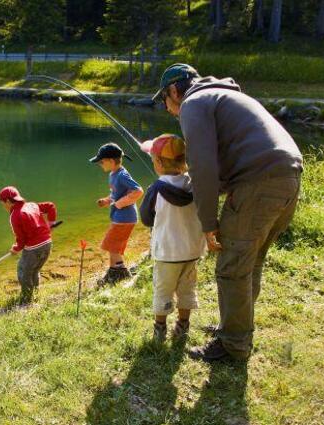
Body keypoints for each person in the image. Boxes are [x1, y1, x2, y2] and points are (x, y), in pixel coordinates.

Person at [152, 63, 303, 361]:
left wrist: (208, 222)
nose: (169, 109)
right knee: (249, 262)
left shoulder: (194, 103)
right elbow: (222, 167)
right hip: (288, 177)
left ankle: (233, 346)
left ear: (173, 91)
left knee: (231, 267)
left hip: (258, 183)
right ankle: (234, 329)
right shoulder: (226, 96)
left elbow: (203, 165)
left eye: (165, 101)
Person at [139, 134, 206, 343]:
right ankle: (183, 327)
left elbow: (146, 219)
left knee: (163, 290)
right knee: (187, 289)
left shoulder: (156, 190)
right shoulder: (196, 185)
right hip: (192, 251)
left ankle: (160, 330)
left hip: (167, 253)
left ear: (158, 163)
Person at [89, 143, 144, 284]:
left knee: (111, 244)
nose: (100, 164)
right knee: (113, 246)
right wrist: (107, 201)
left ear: (111, 161)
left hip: (125, 218)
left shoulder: (121, 175)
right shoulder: (114, 174)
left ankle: (121, 273)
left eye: (101, 162)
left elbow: (138, 191)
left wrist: (119, 204)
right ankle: (113, 272)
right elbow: (116, 194)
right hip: (120, 218)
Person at [0, 186, 57, 304]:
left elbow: (21, 239)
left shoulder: (15, 216)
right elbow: (50, 206)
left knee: (23, 271)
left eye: (2, 203)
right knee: (34, 270)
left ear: (8, 201)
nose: (3, 206)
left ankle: (26, 299)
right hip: (48, 243)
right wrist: (51, 222)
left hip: (34, 249)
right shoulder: (31, 205)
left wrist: (16, 249)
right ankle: (35, 293)